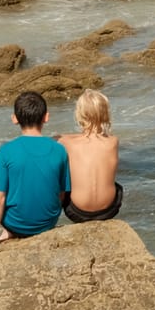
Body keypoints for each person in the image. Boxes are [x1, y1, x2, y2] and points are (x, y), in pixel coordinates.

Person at [0, 91, 70, 256]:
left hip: (16, 225)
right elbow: (62, 194)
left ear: (14, 119)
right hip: (47, 223)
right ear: (46, 117)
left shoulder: (7, 150)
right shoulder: (60, 150)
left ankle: (8, 232)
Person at [59, 89, 122, 223]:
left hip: (77, 212)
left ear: (80, 114)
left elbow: (59, 138)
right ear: (105, 113)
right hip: (109, 210)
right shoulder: (113, 142)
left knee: (65, 181)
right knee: (116, 185)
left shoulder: (66, 142)